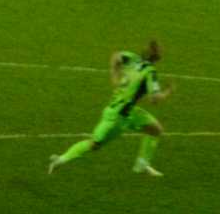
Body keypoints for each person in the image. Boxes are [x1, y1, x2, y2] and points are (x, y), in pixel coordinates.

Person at [48, 41, 174, 177]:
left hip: (127, 110)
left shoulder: (132, 58)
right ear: (157, 57)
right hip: (117, 118)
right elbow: (154, 99)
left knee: (155, 129)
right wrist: (168, 92)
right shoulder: (150, 72)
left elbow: (115, 56)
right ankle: (60, 159)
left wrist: (115, 76)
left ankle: (142, 164)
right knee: (94, 144)